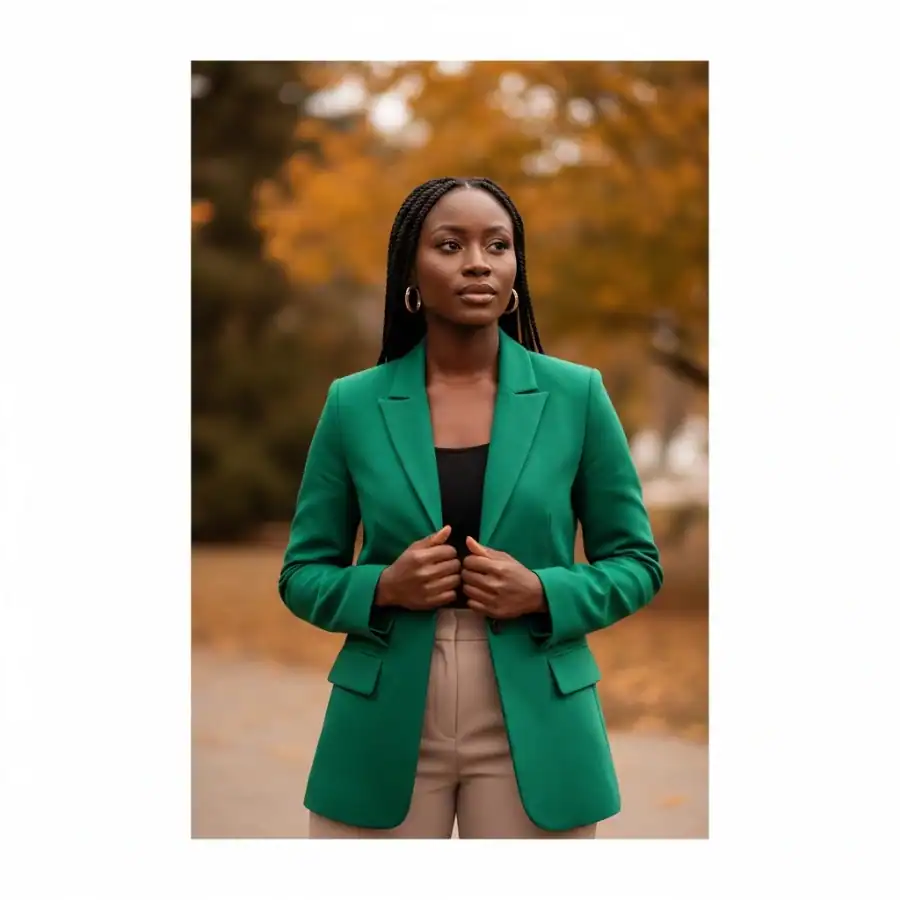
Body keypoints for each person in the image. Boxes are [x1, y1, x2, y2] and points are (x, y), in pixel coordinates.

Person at [278, 176, 664, 839]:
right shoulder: (353, 404)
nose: (478, 262)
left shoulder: (577, 397)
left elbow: (637, 562)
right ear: (412, 272)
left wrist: (542, 590)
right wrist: (383, 587)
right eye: (450, 245)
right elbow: (302, 573)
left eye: (498, 245)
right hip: (383, 721)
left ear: (516, 268)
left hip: (538, 719)